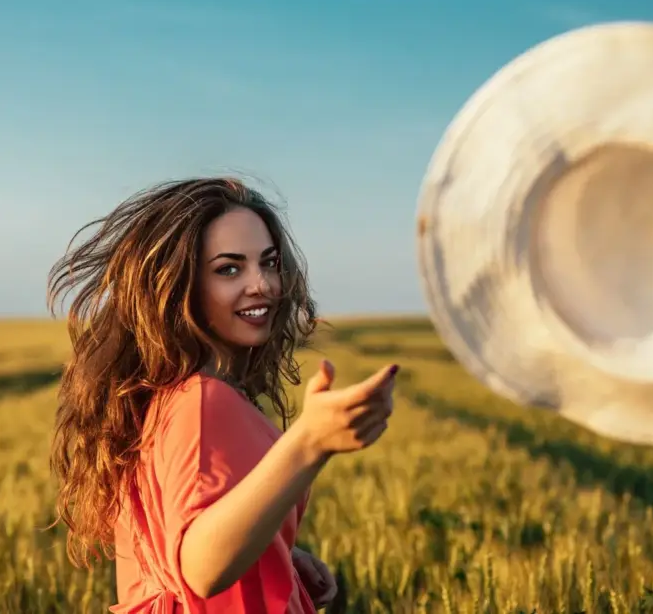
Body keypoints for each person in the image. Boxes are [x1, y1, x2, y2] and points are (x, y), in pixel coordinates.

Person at [46, 177, 398, 613]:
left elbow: (169, 543)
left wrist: (271, 553)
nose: (263, 284)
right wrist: (310, 443)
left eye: (268, 263)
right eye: (229, 269)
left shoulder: (167, 398)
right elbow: (201, 568)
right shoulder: (202, 402)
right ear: (179, 287)